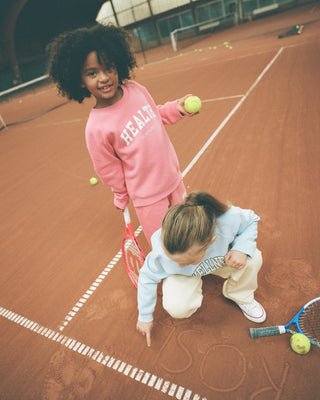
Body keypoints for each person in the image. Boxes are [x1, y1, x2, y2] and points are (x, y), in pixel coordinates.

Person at [46, 23, 198, 246]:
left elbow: (153, 113)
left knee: (189, 231)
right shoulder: (96, 128)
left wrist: (177, 109)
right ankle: (176, 275)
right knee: (168, 245)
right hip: (148, 196)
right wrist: (120, 194)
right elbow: (108, 168)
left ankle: (197, 263)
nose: (104, 77)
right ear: (79, 80)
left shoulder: (135, 89)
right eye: (92, 73)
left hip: (173, 179)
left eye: (109, 68)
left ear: (118, 65)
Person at [136, 191, 266, 347]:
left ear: (211, 242)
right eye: (174, 260)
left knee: (253, 257)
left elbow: (252, 220)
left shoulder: (226, 219)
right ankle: (191, 291)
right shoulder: (161, 254)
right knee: (178, 308)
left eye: (187, 260)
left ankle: (239, 295)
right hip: (187, 275)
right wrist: (144, 317)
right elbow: (147, 278)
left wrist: (241, 249)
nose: (180, 266)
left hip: (222, 260)